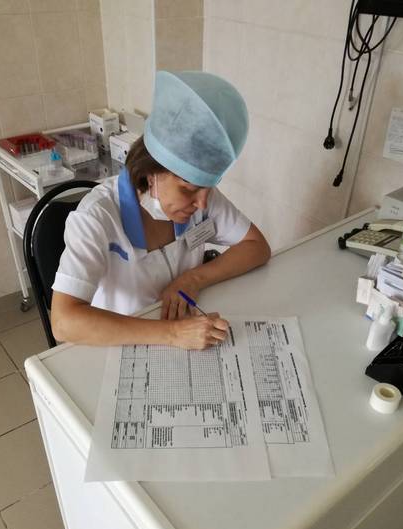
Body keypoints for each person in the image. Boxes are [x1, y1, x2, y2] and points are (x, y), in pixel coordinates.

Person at [51, 71, 271, 350]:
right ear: (151, 172)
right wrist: (172, 334)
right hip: (120, 343)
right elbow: (63, 323)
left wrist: (193, 279)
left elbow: (257, 246)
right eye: (189, 189)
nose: (202, 203)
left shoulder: (201, 197)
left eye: (208, 188)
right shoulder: (96, 217)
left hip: (185, 332)